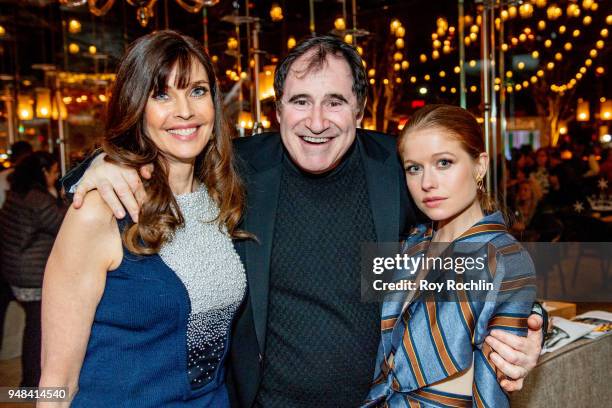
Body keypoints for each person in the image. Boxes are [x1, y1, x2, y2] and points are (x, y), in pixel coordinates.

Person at [62, 36, 544, 407]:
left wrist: (527, 317)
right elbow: (166, 151)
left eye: (334, 101)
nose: (316, 121)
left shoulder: (397, 172)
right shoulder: (238, 172)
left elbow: (468, 254)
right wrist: (97, 166)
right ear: (278, 110)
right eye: (300, 102)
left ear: (360, 108)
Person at [39, 31, 247, 407]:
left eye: (197, 91)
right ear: (136, 106)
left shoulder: (220, 200)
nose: (185, 110)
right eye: (162, 94)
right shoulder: (101, 211)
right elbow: (56, 381)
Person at [366, 105, 536, 407]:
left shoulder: (504, 257)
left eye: (444, 162)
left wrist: (537, 320)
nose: (427, 183)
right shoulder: (411, 246)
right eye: (414, 168)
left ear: (479, 166)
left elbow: (499, 379)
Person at [0, 151, 64, 387]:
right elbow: (63, 225)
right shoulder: (38, 199)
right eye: (56, 172)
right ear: (44, 172)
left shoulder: (17, 193)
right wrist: (59, 197)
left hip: (14, 270)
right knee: (37, 331)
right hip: (31, 275)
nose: (57, 176)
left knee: (33, 327)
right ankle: (30, 384)